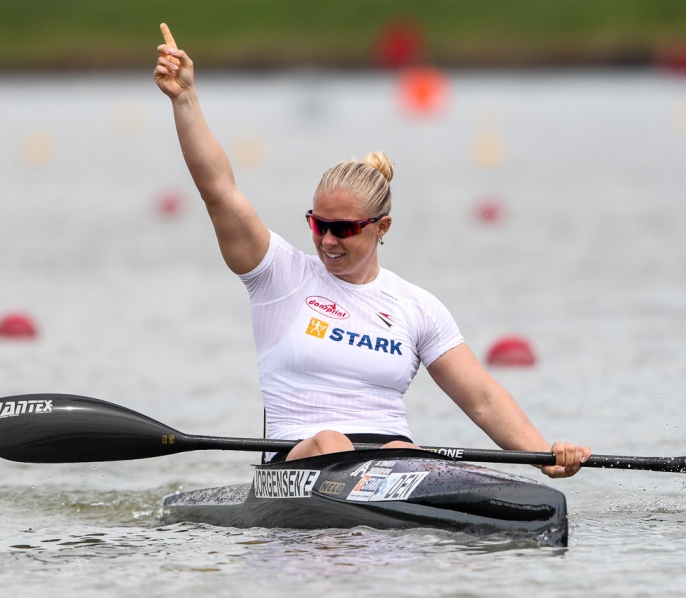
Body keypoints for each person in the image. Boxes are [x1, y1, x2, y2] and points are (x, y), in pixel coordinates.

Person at [154, 24, 590, 478]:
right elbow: (219, 193)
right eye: (318, 224)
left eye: (343, 229)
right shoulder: (279, 276)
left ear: (382, 227)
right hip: (302, 463)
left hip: (391, 464)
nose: (326, 240)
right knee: (332, 440)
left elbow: (482, 398)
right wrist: (184, 99)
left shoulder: (417, 307)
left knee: (403, 446)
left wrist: (544, 455)